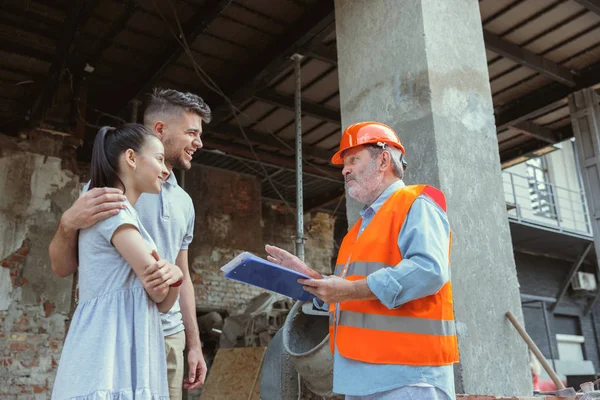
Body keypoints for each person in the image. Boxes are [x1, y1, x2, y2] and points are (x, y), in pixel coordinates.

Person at [266, 121, 459, 400]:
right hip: (362, 379)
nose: (344, 170)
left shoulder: (416, 203)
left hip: (407, 378)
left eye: (353, 160)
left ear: (383, 160)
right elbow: (347, 294)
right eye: (345, 163)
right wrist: (314, 280)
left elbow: (428, 270)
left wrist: (350, 290)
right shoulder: (358, 231)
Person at [49, 88, 212, 399]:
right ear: (161, 129)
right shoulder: (105, 194)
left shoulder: (184, 203)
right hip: (119, 331)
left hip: (167, 333)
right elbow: (63, 267)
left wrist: (194, 344)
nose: (199, 143)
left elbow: (182, 275)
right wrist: (67, 223)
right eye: (192, 132)